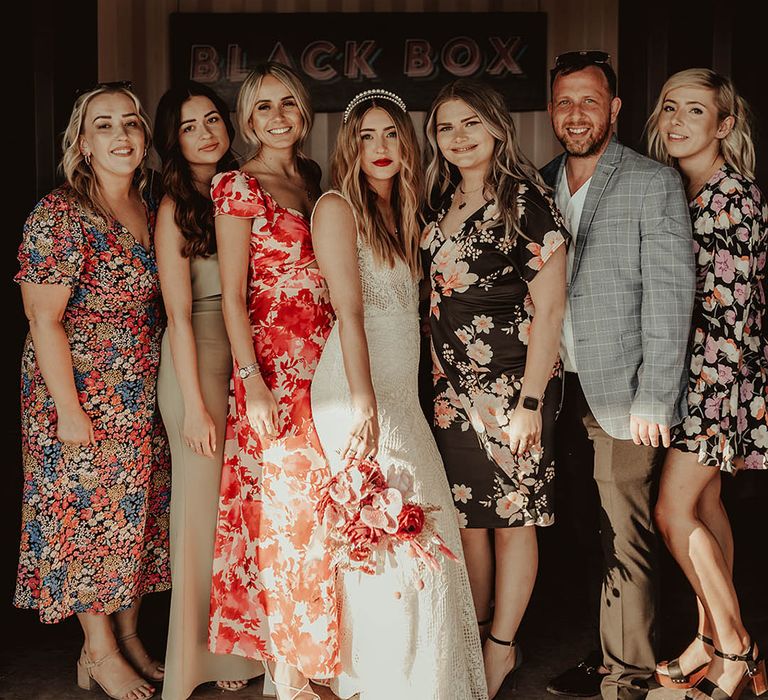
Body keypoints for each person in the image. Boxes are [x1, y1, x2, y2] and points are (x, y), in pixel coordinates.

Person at [310, 89, 487, 700]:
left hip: (400, 388)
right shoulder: (337, 207)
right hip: (356, 386)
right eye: (366, 137)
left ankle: (418, 672)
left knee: (420, 521)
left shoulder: (408, 212)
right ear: (349, 147)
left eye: (391, 134)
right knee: (386, 527)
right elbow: (349, 314)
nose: (380, 148)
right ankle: (382, 674)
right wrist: (363, 401)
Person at [540, 50, 695, 700]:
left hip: (625, 392)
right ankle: (605, 657)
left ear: (615, 109)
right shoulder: (539, 179)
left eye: (589, 100)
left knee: (622, 536)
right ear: (552, 110)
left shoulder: (651, 181)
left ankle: (627, 678)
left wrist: (655, 397)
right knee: (582, 530)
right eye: (565, 102)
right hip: (557, 392)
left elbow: (671, 295)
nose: (576, 114)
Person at [14, 83, 170, 700]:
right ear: (83, 143)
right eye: (105, 125)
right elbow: (43, 319)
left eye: (131, 122)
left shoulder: (154, 200)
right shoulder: (59, 214)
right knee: (84, 517)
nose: (122, 135)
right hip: (76, 386)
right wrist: (69, 411)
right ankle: (99, 651)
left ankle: (127, 638)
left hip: (139, 384)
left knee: (133, 517)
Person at [421, 78, 569, 699]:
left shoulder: (524, 202)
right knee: (468, 521)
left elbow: (552, 309)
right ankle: (474, 631)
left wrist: (531, 400)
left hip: (512, 388)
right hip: (450, 391)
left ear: (497, 128)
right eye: (446, 126)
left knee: (513, 521)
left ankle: (502, 647)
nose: (458, 137)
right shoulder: (439, 200)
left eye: (470, 124)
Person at [207, 62, 338, 700]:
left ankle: (318, 649)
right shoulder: (238, 187)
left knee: (321, 511)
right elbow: (233, 297)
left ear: (304, 110)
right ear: (247, 120)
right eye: (262, 108)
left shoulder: (312, 180)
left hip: (331, 363)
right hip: (275, 374)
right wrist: (252, 383)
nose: (277, 116)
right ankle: (286, 666)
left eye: (288, 103)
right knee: (280, 513)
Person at [646, 68, 767, 700]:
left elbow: (733, 311)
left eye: (695, 111)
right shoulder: (681, 191)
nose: (676, 120)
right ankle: (708, 640)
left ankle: (739, 650)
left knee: (672, 512)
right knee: (706, 505)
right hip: (699, 374)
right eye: (669, 107)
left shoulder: (731, 196)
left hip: (714, 377)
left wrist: (707, 398)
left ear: (724, 125)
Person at [153, 82, 264, 699]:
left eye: (213, 119)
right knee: (200, 515)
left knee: (246, 511)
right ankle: (200, 659)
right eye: (190, 125)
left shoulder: (245, 186)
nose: (206, 132)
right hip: (196, 356)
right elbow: (174, 315)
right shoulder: (175, 203)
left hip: (253, 358)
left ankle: (248, 648)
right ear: (175, 139)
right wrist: (195, 407)